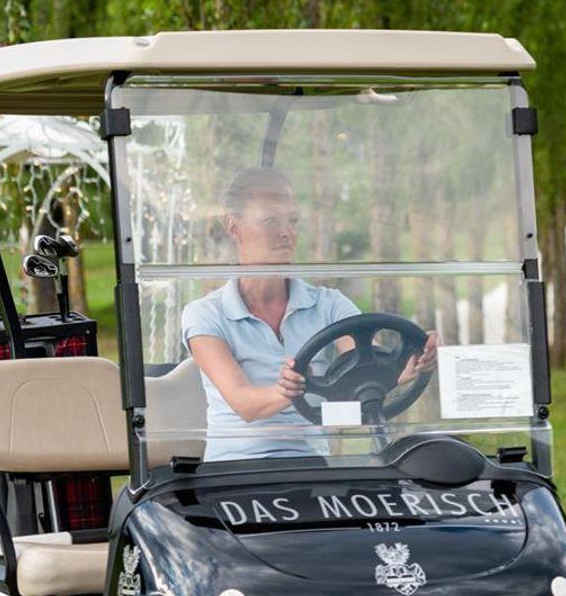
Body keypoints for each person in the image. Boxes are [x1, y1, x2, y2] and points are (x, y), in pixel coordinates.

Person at [182, 166, 436, 461]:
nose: (286, 232)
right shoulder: (205, 315)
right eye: (270, 220)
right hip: (235, 470)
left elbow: (366, 362)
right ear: (234, 228)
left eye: (293, 221)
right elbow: (244, 404)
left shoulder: (329, 304)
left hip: (311, 466)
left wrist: (408, 364)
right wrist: (288, 390)